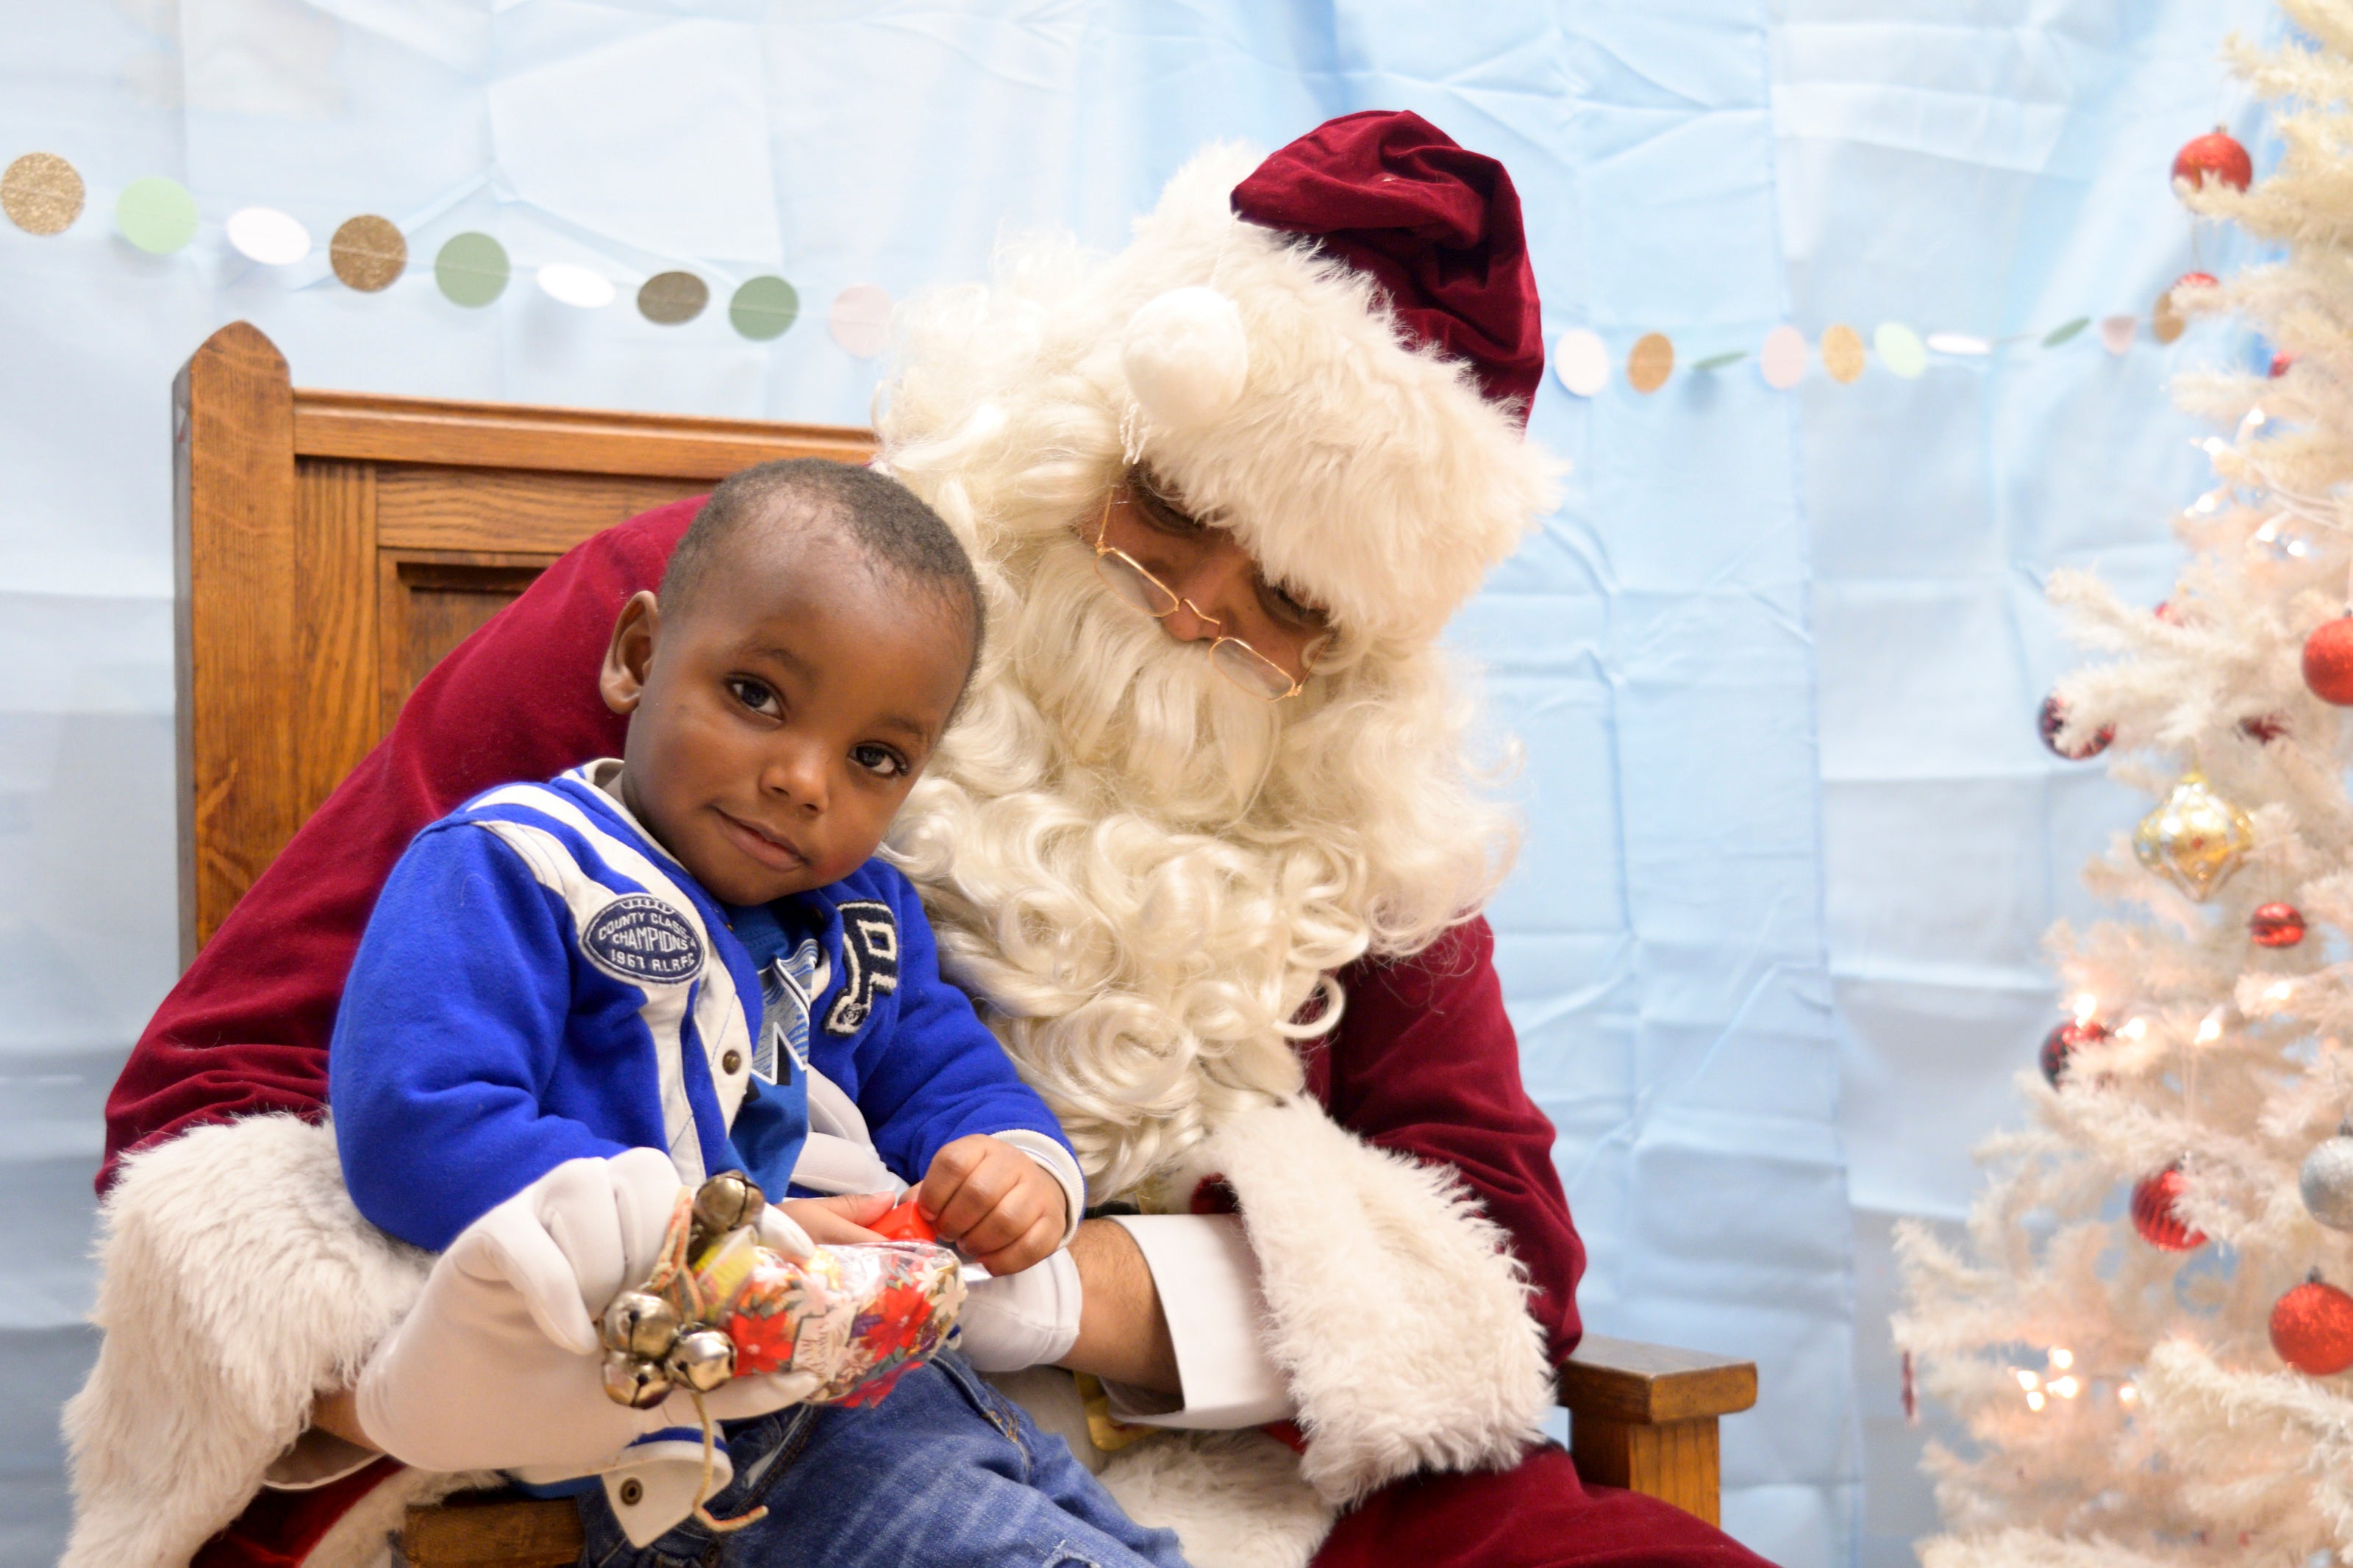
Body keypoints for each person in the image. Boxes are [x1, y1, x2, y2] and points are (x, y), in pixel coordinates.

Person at [68, 111, 1777, 1568]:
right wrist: (625, 1283)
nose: (1193, 617)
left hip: (1213, 1454)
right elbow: (223, 1094)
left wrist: (1064, 1293)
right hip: (734, 1429)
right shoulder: (753, 635)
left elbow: (1504, 1266)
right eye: (1170, 512)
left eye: (1290, 603)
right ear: (1073, 430)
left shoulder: (1362, 796)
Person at [325, 457, 1177, 1565]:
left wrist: (1019, 1170)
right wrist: (715, 1229)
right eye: (757, 697)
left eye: (874, 757)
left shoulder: (869, 910)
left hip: (923, 1377)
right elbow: (415, 1120)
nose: (805, 779)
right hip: (716, 1419)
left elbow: (948, 1075)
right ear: (639, 657)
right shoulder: (521, 866)